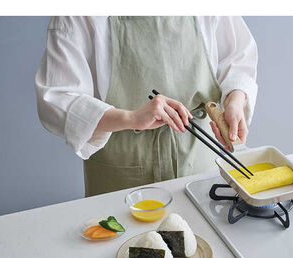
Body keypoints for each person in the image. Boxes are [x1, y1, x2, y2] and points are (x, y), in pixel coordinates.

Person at [35, 16, 258, 196]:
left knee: (203, 233)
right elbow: (57, 97)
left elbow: (238, 57)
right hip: (123, 167)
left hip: (199, 152)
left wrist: (235, 99)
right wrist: (131, 118)